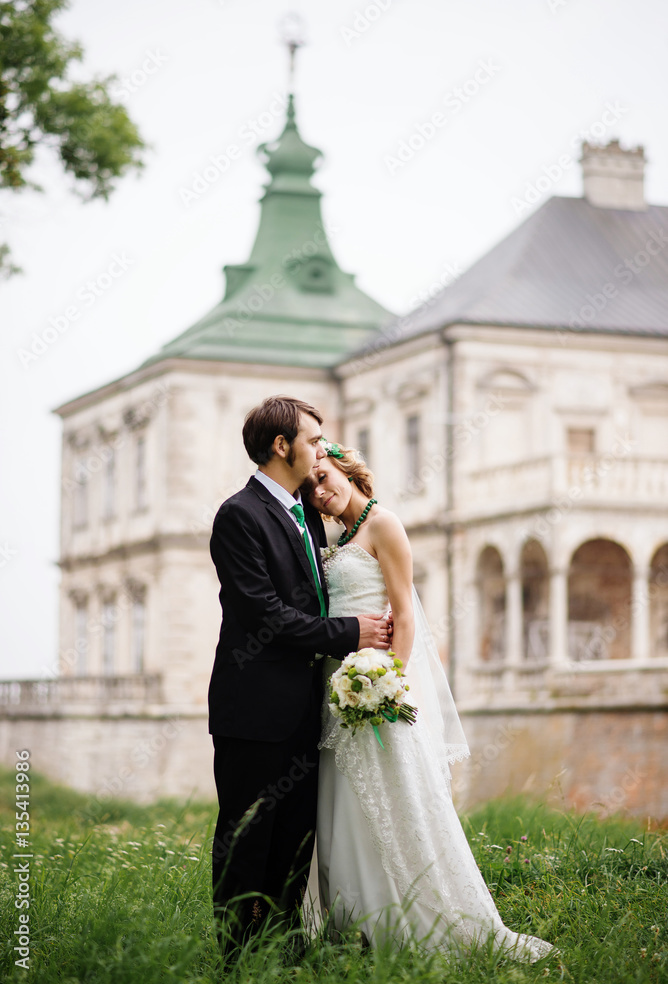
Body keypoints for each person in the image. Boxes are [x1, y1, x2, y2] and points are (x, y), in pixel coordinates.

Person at [304, 441, 554, 962]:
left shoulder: (385, 525)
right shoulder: (335, 536)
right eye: (311, 487)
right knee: (345, 803)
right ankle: (355, 926)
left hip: (376, 688)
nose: (320, 492)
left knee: (396, 800)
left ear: (347, 470)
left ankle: (416, 920)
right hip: (339, 686)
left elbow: (406, 612)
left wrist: (386, 682)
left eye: (325, 478)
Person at [208, 397, 391, 954]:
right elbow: (267, 614)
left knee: (294, 842)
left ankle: (284, 953)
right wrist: (349, 635)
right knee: (247, 843)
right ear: (282, 445)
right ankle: (239, 959)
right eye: (313, 440)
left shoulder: (306, 513)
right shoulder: (239, 516)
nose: (321, 450)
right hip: (254, 711)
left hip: (306, 708)